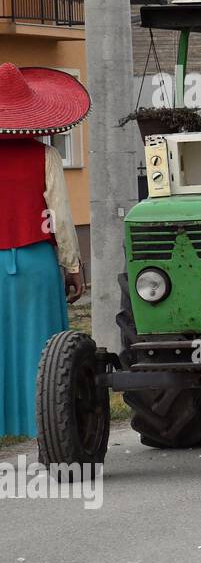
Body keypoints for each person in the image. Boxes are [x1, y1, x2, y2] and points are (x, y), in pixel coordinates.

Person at [0, 64, 88, 439]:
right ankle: (46, 430)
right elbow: (60, 219)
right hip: (36, 260)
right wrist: (72, 265)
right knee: (44, 350)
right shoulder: (45, 157)